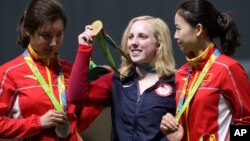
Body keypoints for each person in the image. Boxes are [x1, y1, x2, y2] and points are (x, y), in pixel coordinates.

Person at [0, 0, 106, 140]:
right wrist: (38, 123)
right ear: (28, 30)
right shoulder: (9, 72)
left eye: (59, 34)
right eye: (46, 35)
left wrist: (105, 85)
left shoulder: (70, 70)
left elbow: (77, 123)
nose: (54, 43)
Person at [68, 15, 176, 141]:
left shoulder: (176, 82)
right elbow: (76, 95)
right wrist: (84, 49)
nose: (134, 42)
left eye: (142, 36)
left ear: (159, 44)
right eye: (131, 37)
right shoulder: (117, 81)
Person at [160, 0, 250, 141]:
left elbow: (246, 121)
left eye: (178, 28)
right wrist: (171, 126)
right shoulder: (181, 74)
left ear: (198, 29)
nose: (175, 36)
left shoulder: (228, 69)